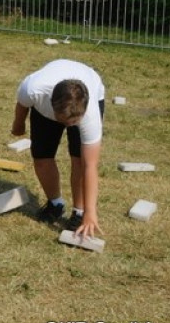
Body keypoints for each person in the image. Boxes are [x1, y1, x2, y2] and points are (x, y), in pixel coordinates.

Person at [11, 59, 105, 238]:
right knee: (41, 157)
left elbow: (90, 167)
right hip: (45, 105)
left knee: (79, 160)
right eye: (64, 121)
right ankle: (56, 204)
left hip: (90, 90)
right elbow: (22, 104)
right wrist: (18, 125)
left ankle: (78, 212)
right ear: (51, 105)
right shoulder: (33, 89)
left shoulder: (89, 115)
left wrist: (89, 213)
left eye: (73, 123)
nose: (68, 126)